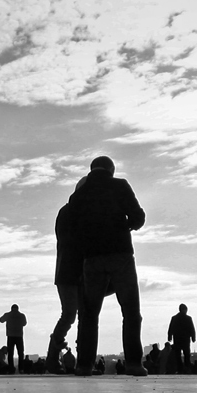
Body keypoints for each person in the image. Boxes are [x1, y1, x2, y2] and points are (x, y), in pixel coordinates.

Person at [68, 156, 147, 376]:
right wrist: (124, 227)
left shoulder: (81, 193)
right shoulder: (120, 185)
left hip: (91, 257)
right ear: (111, 170)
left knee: (90, 314)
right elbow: (138, 217)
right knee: (131, 312)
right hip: (120, 253)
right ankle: (133, 363)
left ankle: (84, 364)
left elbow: (71, 225)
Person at [47, 202, 84, 374]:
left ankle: (53, 356)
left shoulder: (64, 212)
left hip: (65, 272)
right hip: (77, 271)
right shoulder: (81, 210)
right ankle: (82, 359)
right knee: (79, 315)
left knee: (69, 315)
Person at [168, 304, 197, 374]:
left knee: (178, 355)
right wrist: (193, 337)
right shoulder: (188, 318)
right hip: (186, 339)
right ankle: (187, 367)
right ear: (185, 310)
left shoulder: (174, 318)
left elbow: (171, 328)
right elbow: (192, 328)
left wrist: (170, 336)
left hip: (177, 338)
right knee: (187, 354)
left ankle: (180, 368)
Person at [0, 304, 27, 372]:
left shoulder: (8, 315)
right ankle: (21, 368)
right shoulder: (21, 315)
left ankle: (11, 368)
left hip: (10, 335)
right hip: (19, 335)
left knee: (10, 353)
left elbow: (1, 320)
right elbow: (24, 323)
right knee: (20, 353)